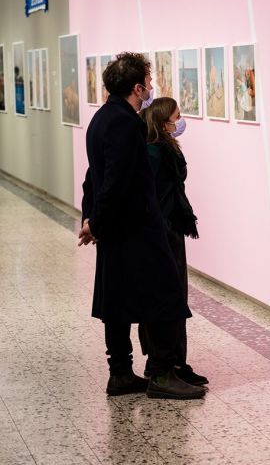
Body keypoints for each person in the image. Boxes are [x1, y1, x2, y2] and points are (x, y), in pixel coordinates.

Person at [78, 52, 204, 400]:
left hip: (115, 229)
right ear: (136, 87)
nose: (151, 88)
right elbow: (116, 180)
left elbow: (93, 178)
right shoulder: (125, 123)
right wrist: (96, 224)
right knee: (165, 295)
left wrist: (91, 219)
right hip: (135, 228)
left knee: (117, 303)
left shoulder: (101, 118)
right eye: (148, 83)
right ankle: (162, 374)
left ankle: (120, 373)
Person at [139, 97, 207, 386]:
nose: (180, 122)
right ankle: (160, 365)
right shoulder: (153, 153)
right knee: (165, 297)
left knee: (178, 295)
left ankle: (176, 361)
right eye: (177, 117)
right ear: (163, 121)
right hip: (161, 232)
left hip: (173, 228)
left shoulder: (166, 149)